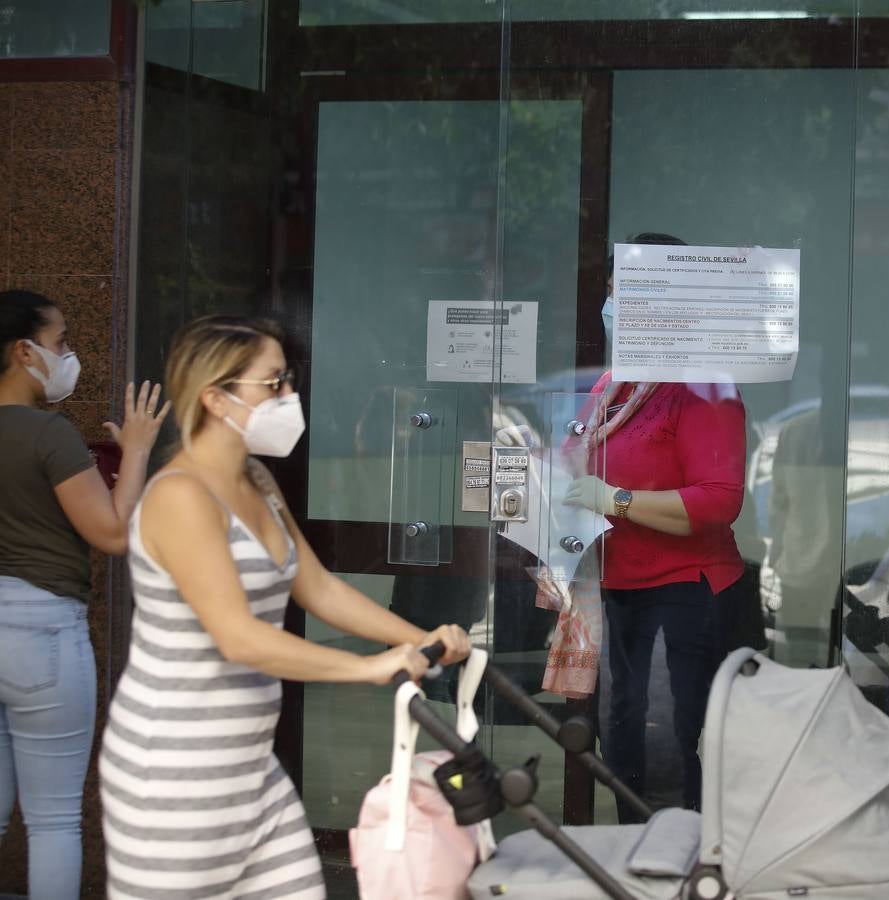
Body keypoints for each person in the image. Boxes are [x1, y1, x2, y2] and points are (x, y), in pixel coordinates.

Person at [98, 315, 471, 898]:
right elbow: (238, 637)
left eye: (288, 381)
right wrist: (367, 667)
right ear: (216, 398)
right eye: (273, 385)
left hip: (250, 766)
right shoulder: (179, 496)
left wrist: (422, 637)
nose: (290, 396)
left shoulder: (255, 482)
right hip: (173, 771)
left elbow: (319, 588)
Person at [564, 234, 747, 823]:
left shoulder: (699, 385)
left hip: (682, 592)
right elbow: (577, 456)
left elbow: (719, 501)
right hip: (620, 587)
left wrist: (615, 499)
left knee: (667, 744)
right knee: (624, 740)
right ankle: (634, 864)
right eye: (614, 288)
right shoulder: (614, 383)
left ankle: (677, 871)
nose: (615, 302)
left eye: (632, 289)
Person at [0, 289, 169, 900]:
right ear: (24, 351)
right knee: (51, 820)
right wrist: (139, 452)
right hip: (41, 633)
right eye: (60, 342)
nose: (68, 354)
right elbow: (113, 534)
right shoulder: (49, 434)